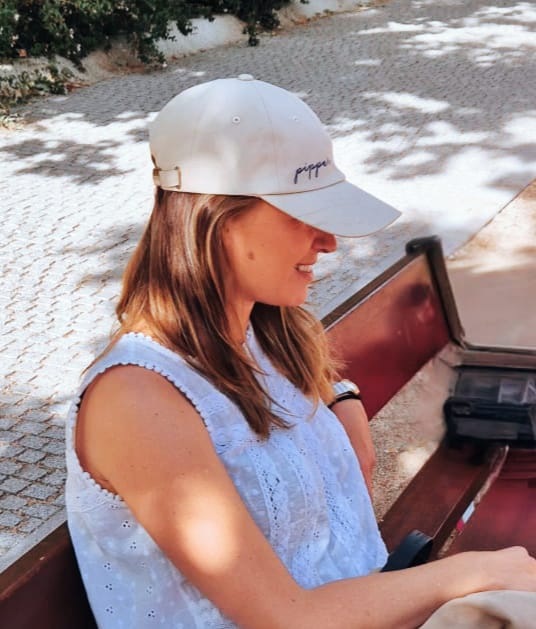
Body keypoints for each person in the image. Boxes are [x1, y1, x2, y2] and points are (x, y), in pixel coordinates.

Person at [65, 75, 536, 628]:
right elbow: (285, 619)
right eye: (300, 213)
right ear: (215, 217)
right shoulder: (138, 400)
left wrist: (340, 394)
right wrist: (475, 572)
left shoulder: (261, 332)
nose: (330, 241)